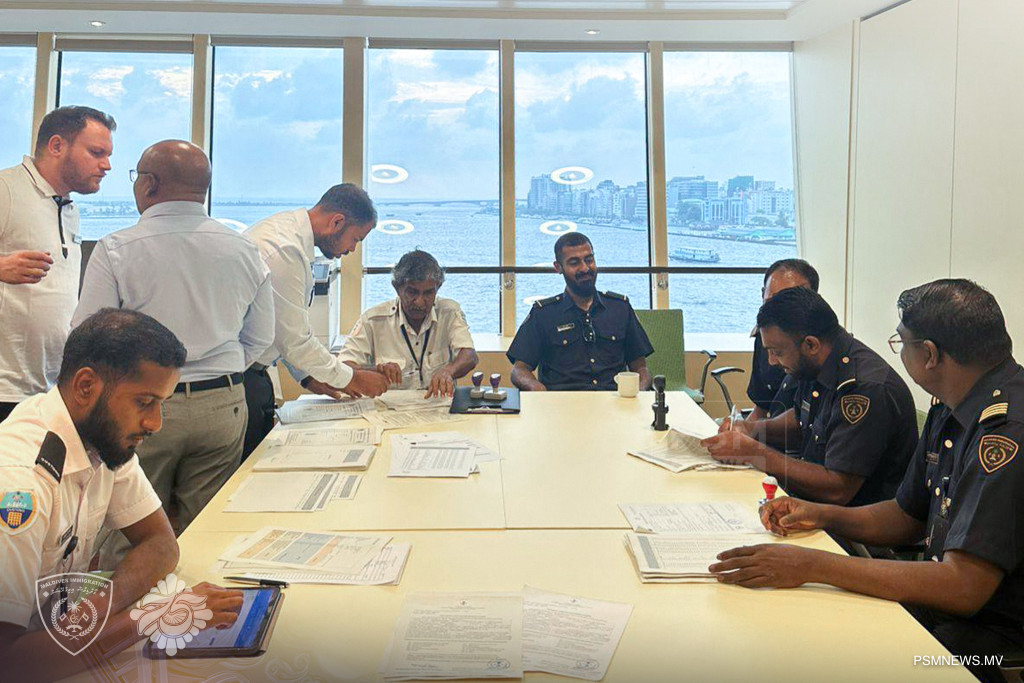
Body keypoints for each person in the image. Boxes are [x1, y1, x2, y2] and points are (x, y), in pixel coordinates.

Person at [710, 280, 1024, 683]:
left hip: (990, 638)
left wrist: (811, 564)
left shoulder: (1006, 431)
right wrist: (818, 514)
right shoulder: (953, 407)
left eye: (901, 342)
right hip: (944, 606)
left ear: (929, 354)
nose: (898, 351)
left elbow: (965, 587)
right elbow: (906, 515)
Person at [0, 309, 242, 679]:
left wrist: (92, 613)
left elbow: (160, 543)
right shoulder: (20, 483)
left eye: (161, 403)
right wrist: (154, 616)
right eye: (144, 402)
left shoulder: (101, 436)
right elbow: (10, 661)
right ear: (86, 386)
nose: (155, 423)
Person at [73, 140, 275, 544]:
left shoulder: (117, 249)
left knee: (130, 532)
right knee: (206, 532)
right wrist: (219, 369)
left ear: (149, 184)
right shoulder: (245, 249)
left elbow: (86, 337)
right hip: (223, 404)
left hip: (140, 406)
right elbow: (262, 338)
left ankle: (133, 589)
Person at [701, 287, 917, 506]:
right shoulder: (814, 362)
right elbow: (803, 421)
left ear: (811, 344)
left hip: (851, 520)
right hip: (814, 505)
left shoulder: (864, 388)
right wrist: (751, 429)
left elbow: (838, 489)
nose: (772, 361)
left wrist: (754, 453)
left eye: (777, 352)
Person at [244, 184, 389, 457]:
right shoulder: (282, 250)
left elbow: (281, 327)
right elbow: (294, 340)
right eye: (355, 239)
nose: (353, 249)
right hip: (242, 378)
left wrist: (307, 377)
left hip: (255, 375)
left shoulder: (291, 237)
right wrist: (353, 379)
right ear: (337, 222)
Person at [0, 106, 115, 423]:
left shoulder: (69, 208)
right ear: (56, 146)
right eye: (96, 153)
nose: (107, 165)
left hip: (48, 391)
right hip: (4, 390)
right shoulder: (6, 189)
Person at [507, 232, 654, 392]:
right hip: (562, 402)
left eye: (589, 260)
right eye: (574, 263)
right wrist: (536, 389)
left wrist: (639, 392)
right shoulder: (543, 314)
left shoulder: (620, 308)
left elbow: (641, 368)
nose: (585, 268)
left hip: (615, 400)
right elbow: (519, 370)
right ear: (558, 267)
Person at [338, 250, 477, 397]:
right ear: (397, 288)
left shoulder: (449, 312)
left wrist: (448, 371)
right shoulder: (372, 320)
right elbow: (343, 365)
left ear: (438, 287)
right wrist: (375, 370)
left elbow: (470, 356)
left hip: (439, 404)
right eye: (412, 292)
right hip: (388, 408)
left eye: (428, 293)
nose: (419, 302)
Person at [746, 259, 819, 421]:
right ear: (763, 295)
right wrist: (741, 430)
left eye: (790, 305)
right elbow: (761, 410)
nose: (772, 360)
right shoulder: (764, 337)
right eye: (772, 302)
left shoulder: (822, 352)